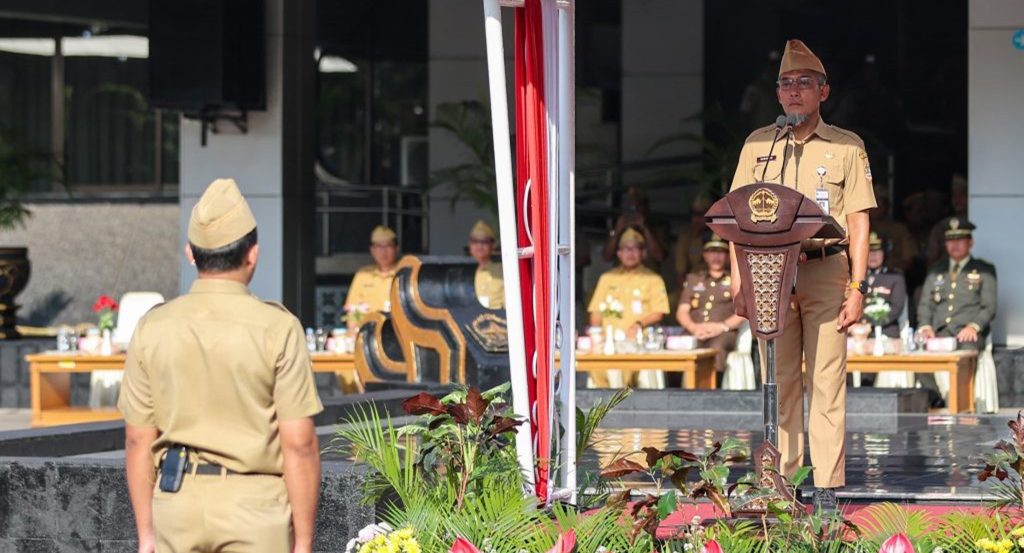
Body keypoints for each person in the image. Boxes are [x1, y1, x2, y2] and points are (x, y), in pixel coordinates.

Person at [118, 178, 323, 553]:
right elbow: (299, 444)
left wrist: (147, 535)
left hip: (176, 502)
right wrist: (305, 541)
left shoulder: (152, 326)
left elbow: (137, 439)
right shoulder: (277, 327)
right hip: (255, 508)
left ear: (190, 254)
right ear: (253, 254)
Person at [729, 39, 876, 511]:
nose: (794, 91)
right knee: (780, 382)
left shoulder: (846, 146)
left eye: (805, 84)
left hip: (824, 270)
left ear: (823, 92)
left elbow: (859, 222)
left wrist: (858, 286)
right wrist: (738, 282)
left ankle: (826, 488)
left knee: (827, 382)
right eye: (786, 84)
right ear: (777, 93)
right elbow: (734, 217)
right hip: (768, 274)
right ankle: (783, 486)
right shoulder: (760, 144)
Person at [587, 227, 670, 388]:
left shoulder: (653, 279)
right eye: (626, 249)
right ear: (618, 253)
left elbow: (659, 311)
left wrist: (638, 325)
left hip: (638, 342)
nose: (630, 253)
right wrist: (597, 333)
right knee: (598, 366)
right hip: (610, 342)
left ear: (642, 253)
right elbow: (596, 311)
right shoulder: (607, 278)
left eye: (635, 249)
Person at [917, 217, 997, 350]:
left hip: (967, 334)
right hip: (939, 333)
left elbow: (989, 307)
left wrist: (973, 326)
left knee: (966, 352)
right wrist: (925, 327)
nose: (955, 245)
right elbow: (926, 304)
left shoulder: (984, 270)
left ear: (971, 242)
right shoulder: (936, 270)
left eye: (960, 239)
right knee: (920, 353)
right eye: (950, 240)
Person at [676, 233, 745, 387]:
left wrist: (721, 326)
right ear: (705, 255)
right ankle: (679, 391)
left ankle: (714, 391)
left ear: (728, 256)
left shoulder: (735, 281)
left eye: (721, 252)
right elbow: (682, 311)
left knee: (716, 348)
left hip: (723, 332)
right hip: (695, 330)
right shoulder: (694, 279)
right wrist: (693, 327)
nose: (716, 256)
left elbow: (743, 312)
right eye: (712, 251)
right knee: (678, 346)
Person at [344, 225, 400, 332]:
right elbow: (353, 311)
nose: (383, 251)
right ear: (372, 249)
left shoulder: (404, 273)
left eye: (388, 245)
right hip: (368, 332)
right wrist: (353, 333)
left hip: (397, 332)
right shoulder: (363, 275)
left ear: (396, 248)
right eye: (379, 246)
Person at [602, 185, 668, 267]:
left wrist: (645, 228)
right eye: (630, 206)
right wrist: (617, 230)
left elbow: (660, 256)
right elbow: (607, 257)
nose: (634, 210)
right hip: (622, 274)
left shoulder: (658, 227)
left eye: (638, 206)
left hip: (647, 274)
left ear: (646, 207)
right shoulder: (619, 226)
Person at [859, 232, 907, 339]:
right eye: (869, 251)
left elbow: (896, 308)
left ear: (885, 253)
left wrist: (870, 324)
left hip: (886, 332)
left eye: (877, 251)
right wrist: (857, 324)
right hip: (856, 331)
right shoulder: (856, 277)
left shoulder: (895, 277)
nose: (873, 255)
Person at [868, 185, 918, 273]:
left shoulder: (900, 230)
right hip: (863, 275)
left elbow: (909, 260)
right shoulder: (857, 229)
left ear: (888, 205)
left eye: (881, 202)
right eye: (874, 202)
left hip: (891, 276)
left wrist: (888, 271)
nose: (877, 206)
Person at [673, 193, 714, 289]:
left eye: (702, 214)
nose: (697, 218)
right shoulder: (686, 236)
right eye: (694, 214)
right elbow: (681, 273)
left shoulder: (722, 234)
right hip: (695, 285)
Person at [926, 174, 969, 267]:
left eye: (962, 194)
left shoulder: (981, 222)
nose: (957, 199)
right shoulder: (940, 227)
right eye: (954, 195)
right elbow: (931, 260)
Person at [468, 220, 504, 309]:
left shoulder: (502, 270)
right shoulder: (463, 271)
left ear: (493, 245)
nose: (479, 245)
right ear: (470, 245)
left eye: (484, 241)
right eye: (475, 241)